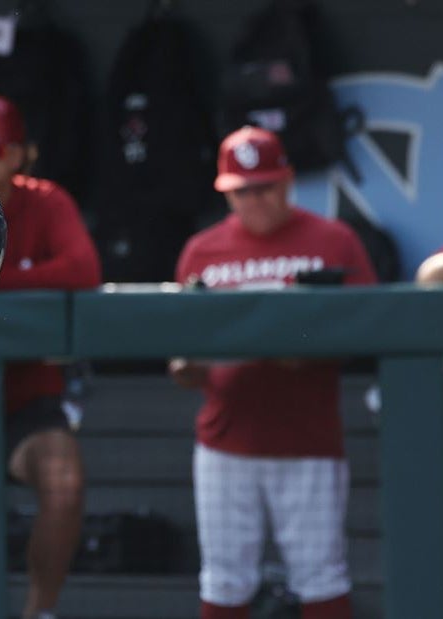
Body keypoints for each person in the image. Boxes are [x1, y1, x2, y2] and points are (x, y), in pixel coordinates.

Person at [169, 126, 376, 619]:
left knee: (321, 577)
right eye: (243, 190)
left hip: (307, 439)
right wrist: (189, 366)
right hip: (225, 440)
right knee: (224, 580)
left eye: (264, 186)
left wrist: (304, 351)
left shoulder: (334, 240)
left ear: (287, 181)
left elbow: (371, 330)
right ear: (226, 192)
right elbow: (178, 355)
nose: (255, 199)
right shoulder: (202, 249)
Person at [0, 92, 100, 619]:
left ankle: (40, 613)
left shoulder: (46, 201)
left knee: (64, 480)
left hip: (27, 395)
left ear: (18, 154)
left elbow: (82, 271)